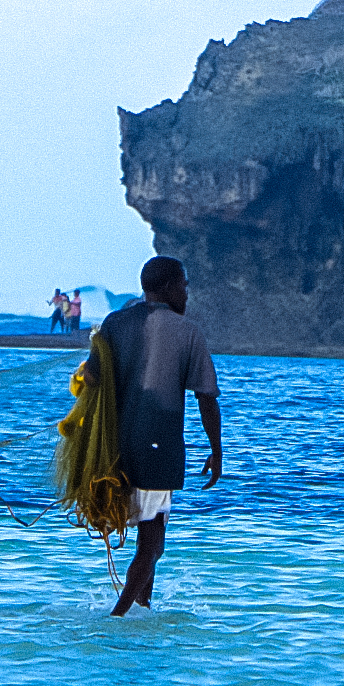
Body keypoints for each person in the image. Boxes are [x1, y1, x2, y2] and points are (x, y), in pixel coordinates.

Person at [85, 256, 222, 617]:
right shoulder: (186, 331)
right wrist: (216, 450)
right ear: (165, 288)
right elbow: (206, 398)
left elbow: (92, 383)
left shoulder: (113, 325)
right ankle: (120, 614)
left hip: (114, 450)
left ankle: (143, 606)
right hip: (158, 449)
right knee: (152, 543)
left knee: (151, 538)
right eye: (183, 285)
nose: (187, 293)